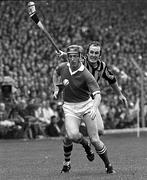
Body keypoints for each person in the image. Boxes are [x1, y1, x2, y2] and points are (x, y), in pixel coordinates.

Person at [53, 45, 115, 174]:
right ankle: (85, 145)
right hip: (70, 107)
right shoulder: (63, 67)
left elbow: (97, 94)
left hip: (86, 106)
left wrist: (94, 107)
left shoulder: (86, 74)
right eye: (70, 56)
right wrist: (56, 88)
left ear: (81, 58)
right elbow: (55, 72)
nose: (73, 59)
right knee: (72, 135)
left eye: (75, 56)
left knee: (95, 140)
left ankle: (108, 166)